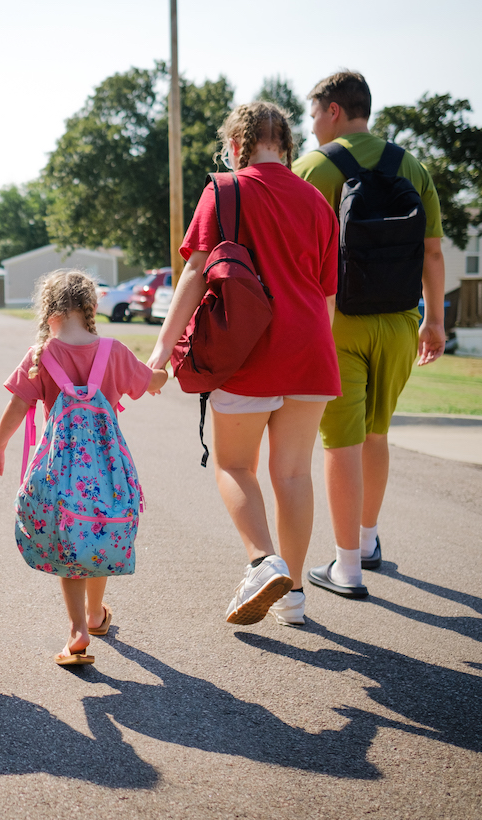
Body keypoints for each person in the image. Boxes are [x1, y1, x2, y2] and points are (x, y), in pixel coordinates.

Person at [147, 101, 341, 627]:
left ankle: (263, 560)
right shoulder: (319, 204)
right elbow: (326, 297)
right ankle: (295, 597)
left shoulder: (224, 189)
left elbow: (193, 273)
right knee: (295, 473)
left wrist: (160, 354)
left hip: (248, 349)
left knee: (236, 465)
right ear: (288, 146)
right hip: (311, 354)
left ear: (235, 144)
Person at [293, 71, 446, 598]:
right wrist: (435, 320)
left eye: (313, 114)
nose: (311, 126)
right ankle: (369, 540)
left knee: (340, 441)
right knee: (376, 433)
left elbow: (289, 253)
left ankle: (347, 569)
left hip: (337, 322)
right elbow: (431, 251)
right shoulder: (411, 165)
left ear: (333, 110)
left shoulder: (313, 168)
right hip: (401, 320)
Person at [0, 269, 167, 664]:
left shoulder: (41, 356)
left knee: (68, 535)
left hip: (60, 469)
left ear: (48, 310)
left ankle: (78, 630)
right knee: (99, 527)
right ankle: (95, 612)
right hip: (107, 467)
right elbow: (150, 383)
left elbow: (18, 406)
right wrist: (162, 372)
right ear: (90, 307)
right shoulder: (115, 351)